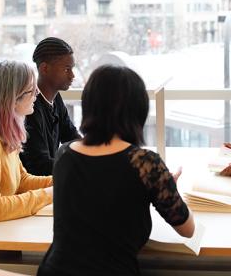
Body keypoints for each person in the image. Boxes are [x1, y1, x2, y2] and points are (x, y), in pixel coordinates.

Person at [37, 65, 195, 276]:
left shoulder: (64, 154)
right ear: (137, 110)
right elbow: (188, 230)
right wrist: (166, 188)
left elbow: (97, 199)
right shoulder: (145, 163)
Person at [0, 60, 53, 228]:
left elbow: (21, 181)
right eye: (30, 90)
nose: (37, 93)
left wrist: (62, 181)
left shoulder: (2, 135)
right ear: (11, 99)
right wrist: (49, 194)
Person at [20, 37, 80, 176]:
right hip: (32, 190)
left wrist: (94, 154)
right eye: (66, 69)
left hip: (48, 183)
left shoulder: (56, 99)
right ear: (44, 68)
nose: (72, 75)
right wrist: (82, 165)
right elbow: (40, 165)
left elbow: (71, 137)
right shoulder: (29, 107)